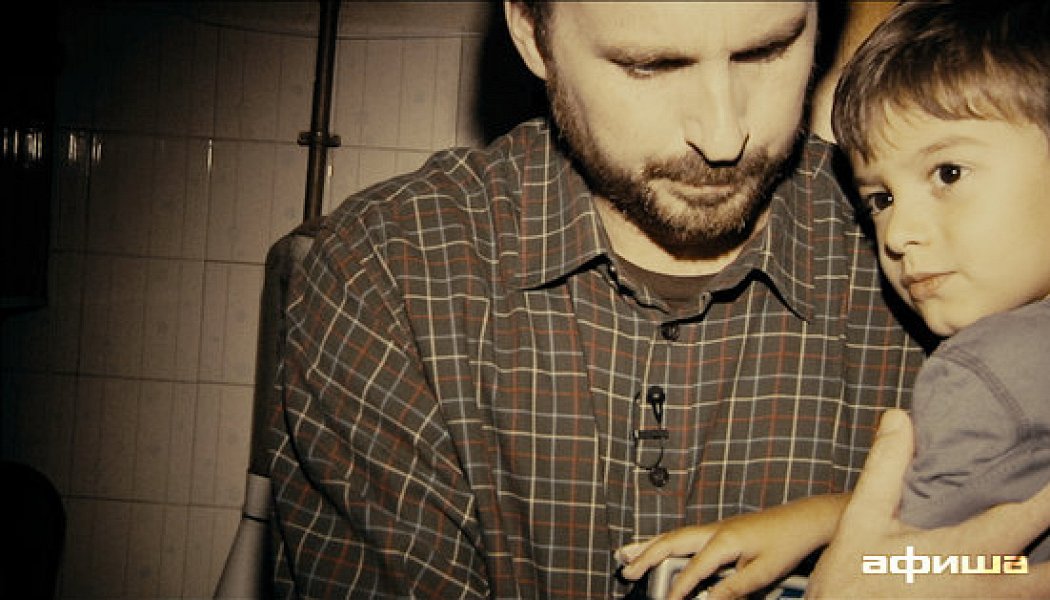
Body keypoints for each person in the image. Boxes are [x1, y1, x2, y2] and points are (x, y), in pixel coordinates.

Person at [266, 2, 933, 597]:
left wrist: (924, 563)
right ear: (532, 34)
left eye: (766, 50)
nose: (723, 136)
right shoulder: (387, 272)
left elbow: (990, 562)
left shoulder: (951, 264)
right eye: (651, 65)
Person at [618, 1, 1050, 597]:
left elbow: (909, 570)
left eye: (948, 173)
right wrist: (823, 517)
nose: (897, 235)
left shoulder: (978, 372)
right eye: (881, 200)